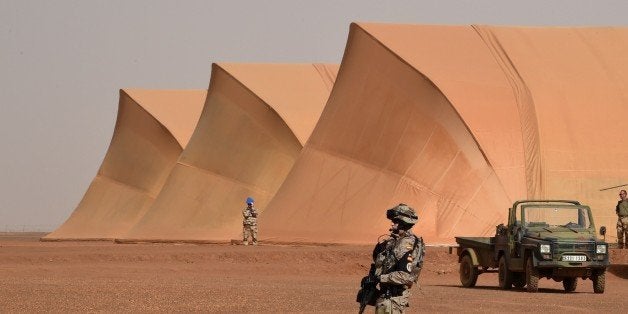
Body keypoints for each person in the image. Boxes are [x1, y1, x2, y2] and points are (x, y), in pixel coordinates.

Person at [358, 203, 425, 314]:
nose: (392, 224)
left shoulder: (405, 244)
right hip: (387, 298)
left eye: (395, 221)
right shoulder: (393, 242)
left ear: (402, 223)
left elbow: (404, 276)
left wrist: (379, 279)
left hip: (392, 300)